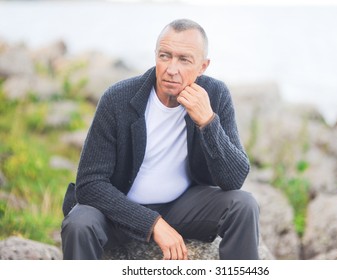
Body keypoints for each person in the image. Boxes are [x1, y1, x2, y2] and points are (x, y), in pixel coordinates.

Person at [61, 18, 260, 260]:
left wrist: (208, 122)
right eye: (165, 56)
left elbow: (234, 179)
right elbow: (89, 184)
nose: (171, 69)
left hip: (181, 206)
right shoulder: (117, 99)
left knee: (244, 205)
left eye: (184, 59)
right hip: (116, 212)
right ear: (155, 55)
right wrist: (153, 224)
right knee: (79, 223)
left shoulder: (215, 95)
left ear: (203, 66)